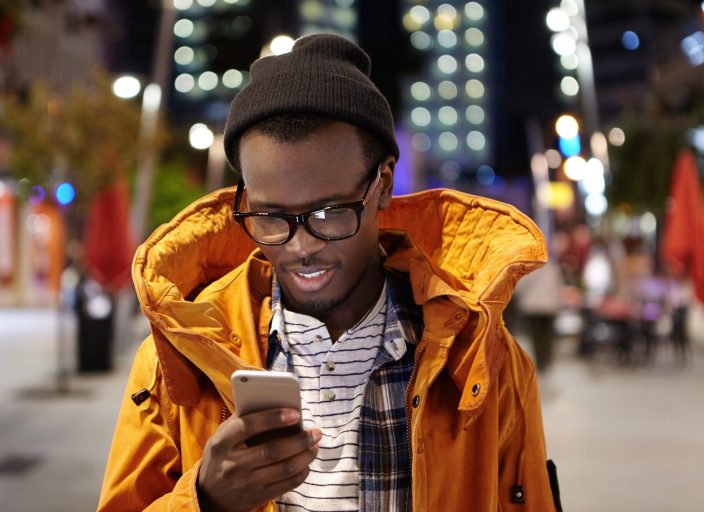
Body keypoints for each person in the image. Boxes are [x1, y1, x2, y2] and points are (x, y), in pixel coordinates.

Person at [98, 34, 560, 511]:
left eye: (329, 213)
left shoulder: (479, 358)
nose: (302, 247)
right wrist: (205, 499)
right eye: (272, 216)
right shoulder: (178, 356)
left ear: (382, 184)